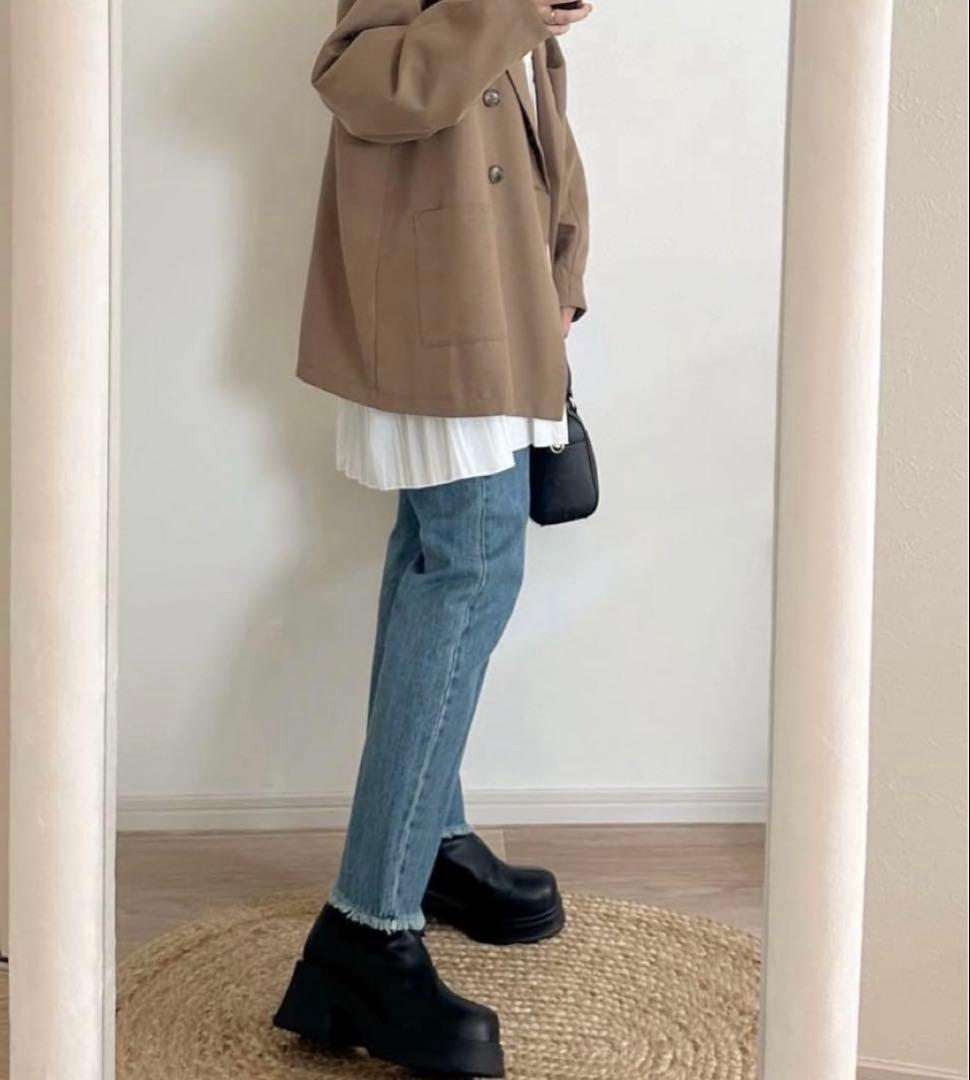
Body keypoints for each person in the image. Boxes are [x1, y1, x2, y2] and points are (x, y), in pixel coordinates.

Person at [274, 1, 592, 1075]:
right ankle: (365, 929)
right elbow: (357, 80)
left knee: (433, 556)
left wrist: (561, 271)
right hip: (438, 306)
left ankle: (431, 843)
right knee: (470, 566)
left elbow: (533, 115)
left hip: (499, 299)